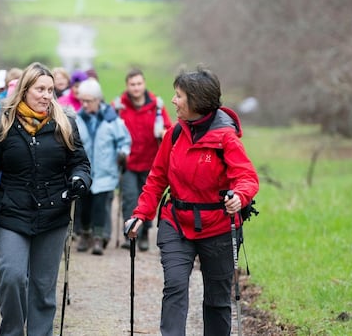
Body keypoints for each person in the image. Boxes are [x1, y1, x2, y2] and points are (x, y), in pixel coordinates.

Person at [125, 66, 259, 336]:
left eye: (179, 95)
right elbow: (157, 177)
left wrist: (239, 196)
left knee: (217, 300)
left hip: (218, 227)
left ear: (196, 100)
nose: (173, 100)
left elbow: (247, 177)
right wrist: (141, 214)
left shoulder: (226, 138)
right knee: (174, 286)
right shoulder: (175, 134)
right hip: (176, 222)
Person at [0, 62, 92, 336]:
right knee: (12, 276)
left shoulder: (64, 123)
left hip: (54, 214)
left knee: (42, 287)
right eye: (40, 89)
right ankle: (12, 330)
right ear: (24, 90)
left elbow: (81, 164)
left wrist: (79, 181)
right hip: (12, 214)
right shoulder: (1, 125)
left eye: (50, 90)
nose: (46, 95)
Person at [113, 68, 172, 251]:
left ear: (144, 84)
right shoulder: (118, 107)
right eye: (132, 84)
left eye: (139, 84)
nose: (136, 88)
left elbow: (169, 130)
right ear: (127, 86)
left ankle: (145, 232)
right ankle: (128, 233)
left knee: (148, 199)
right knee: (130, 198)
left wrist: (163, 133)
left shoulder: (157, 106)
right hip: (129, 162)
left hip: (151, 161)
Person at [73, 78, 131, 255]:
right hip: (84, 171)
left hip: (105, 171)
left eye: (88, 101)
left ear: (98, 100)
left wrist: (123, 153)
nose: (84, 104)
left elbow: (124, 140)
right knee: (83, 205)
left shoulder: (112, 119)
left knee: (99, 205)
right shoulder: (77, 119)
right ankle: (85, 234)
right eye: (82, 100)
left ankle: (98, 238)